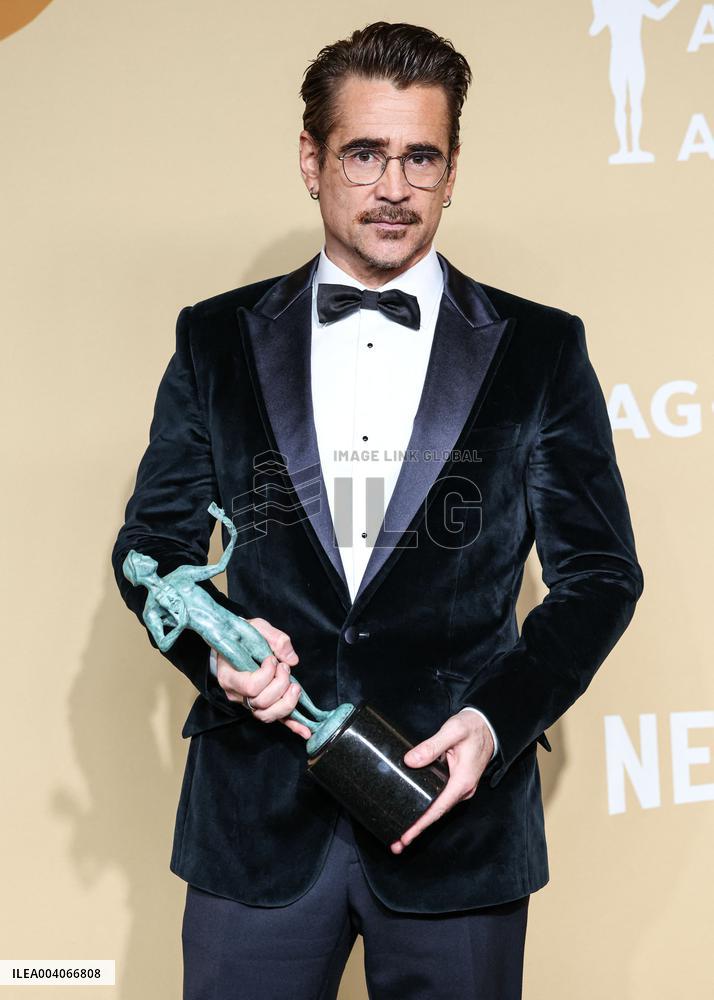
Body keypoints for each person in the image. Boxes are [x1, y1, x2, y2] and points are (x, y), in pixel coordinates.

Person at [111, 20, 644, 1000]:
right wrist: (218, 655)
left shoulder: (541, 348)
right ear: (312, 161)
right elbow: (151, 547)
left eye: (420, 157)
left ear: (452, 171)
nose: (393, 186)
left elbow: (601, 576)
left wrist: (496, 722)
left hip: (457, 827)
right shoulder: (215, 339)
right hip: (254, 827)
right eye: (364, 153)